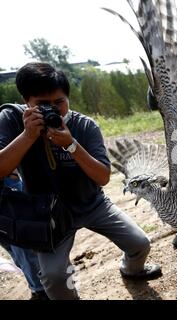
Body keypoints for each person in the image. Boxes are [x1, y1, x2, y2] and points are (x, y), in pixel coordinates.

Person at [0, 63, 162, 300]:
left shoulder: (84, 126)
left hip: (92, 204)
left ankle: (131, 269)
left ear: (68, 97)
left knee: (140, 243)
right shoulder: (13, 120)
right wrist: (28, 136)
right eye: (42, 105)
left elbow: (103, 177)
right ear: (26, 101)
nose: (52, 110)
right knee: (54, 278)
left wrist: (71, 145)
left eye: (59, 102)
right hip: (49, 217)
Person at [0, 170, 48, 300]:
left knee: (22, 244)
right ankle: (38, 289)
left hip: (5, 183)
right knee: (14, 251)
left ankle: (42, 291)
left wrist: (12, 175)